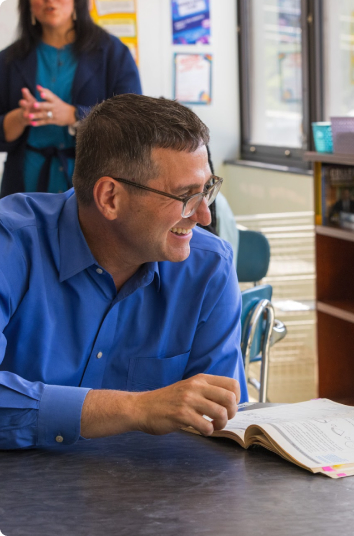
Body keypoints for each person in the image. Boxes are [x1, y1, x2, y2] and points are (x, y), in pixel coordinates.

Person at [0, 93, 247, 450]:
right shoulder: (11, 243)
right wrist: (136, 409)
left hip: (153, 496)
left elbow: (219, 421)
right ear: (110, 198)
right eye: (185, 197)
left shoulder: (209, 267)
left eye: (207, 190)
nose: (204, 217)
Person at [0, 0, 141, 197]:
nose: (50, 1)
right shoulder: (8, 59)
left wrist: (74, 115)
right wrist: (20, 117)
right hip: (24, 181)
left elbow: (133, 123)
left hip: (92, 181)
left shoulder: (113, 53)